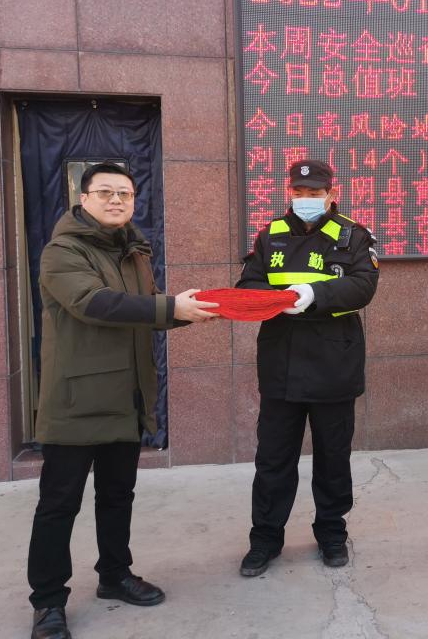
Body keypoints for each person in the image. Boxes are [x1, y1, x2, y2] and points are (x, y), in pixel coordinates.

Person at [27, 163, 218, 639]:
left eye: (125, 194)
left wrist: (190, 311)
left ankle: (114, 575)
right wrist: (170, 306)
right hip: (76, 400)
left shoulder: (134, 250)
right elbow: (95, 304)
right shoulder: (62, 251)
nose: (116, 200)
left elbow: (146, 308)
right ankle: (48, 601)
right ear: (84, 198)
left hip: (127, 396)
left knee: (117, 496)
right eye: (106, 192)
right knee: (59, 504)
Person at [238, 159, 379, 578]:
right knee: (273, 459)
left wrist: (313, 294)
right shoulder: (271, 234)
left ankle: (332, 533)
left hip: (334, 364)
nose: (306, 199)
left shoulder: (353, 235)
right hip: (280, 365)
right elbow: (248, 285)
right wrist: (282, 297)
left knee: (333, 458)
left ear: (332, 194)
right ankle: (265, 538)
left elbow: (363, 286)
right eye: (299, 192)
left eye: (314, 193)